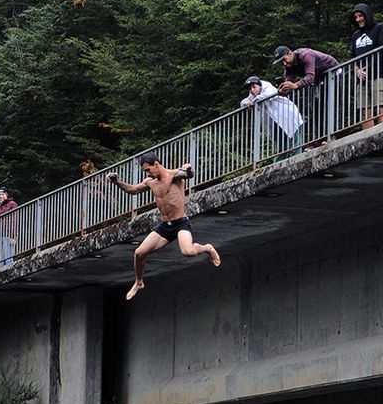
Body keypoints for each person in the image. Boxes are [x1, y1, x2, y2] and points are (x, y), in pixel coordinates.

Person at [107, 152, 221, 301]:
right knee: (139, 253)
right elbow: (133, 190)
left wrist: (188, 168)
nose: (147, 174)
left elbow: (189, 175)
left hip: (180, 223)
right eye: (145, 171)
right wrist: (117, 182)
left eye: (148, 170)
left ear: (156, 164)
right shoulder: (150, 182)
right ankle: (139, 282)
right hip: (165, 226)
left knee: (187, 251)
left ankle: (207, 248)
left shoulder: (174, 175)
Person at [241, 76, 304, 161]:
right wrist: (247, 103)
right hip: (276, 123)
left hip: (289, 116)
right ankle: (279, 163)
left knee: (295, 142)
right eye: (250, 89)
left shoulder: (267, 87)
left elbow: (267, 95)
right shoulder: (253, 95)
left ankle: (297, 160)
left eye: (254, 87)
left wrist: (253, 102)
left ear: (259, 85)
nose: (252, 90)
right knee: (281, 144)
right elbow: (243, 102)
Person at [350, 3, 383, 128]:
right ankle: (370, 141)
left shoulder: (379, 28)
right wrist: (357, 70)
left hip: (378, 74)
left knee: (380, 107)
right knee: (365, 111)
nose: (358, 19)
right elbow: (352, 58)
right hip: (361, 79)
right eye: (356, 17)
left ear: (366, 15)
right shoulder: (355, 36)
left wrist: (369, 67)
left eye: (360, 16)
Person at [272, 45, 339, 94]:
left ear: (290, 54)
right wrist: (283, 90)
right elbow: (289, 82)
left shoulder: (305, 55)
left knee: (336, 100)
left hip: (334, 71)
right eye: (281, 62)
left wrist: (295, 85)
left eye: (284, 59)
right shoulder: (289, 66)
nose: (284, 64)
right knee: (319, 105)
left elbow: (310, 77)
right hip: (320, 77)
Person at [0, 186, 18, 268]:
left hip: (8, 235)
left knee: (8, 258)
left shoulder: (12, 204)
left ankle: (10, 275)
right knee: (0, 259)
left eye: (2, 194)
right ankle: (1, 277)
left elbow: (15, 219)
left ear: (6, 195)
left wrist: (13, 235)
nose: (0, 196)